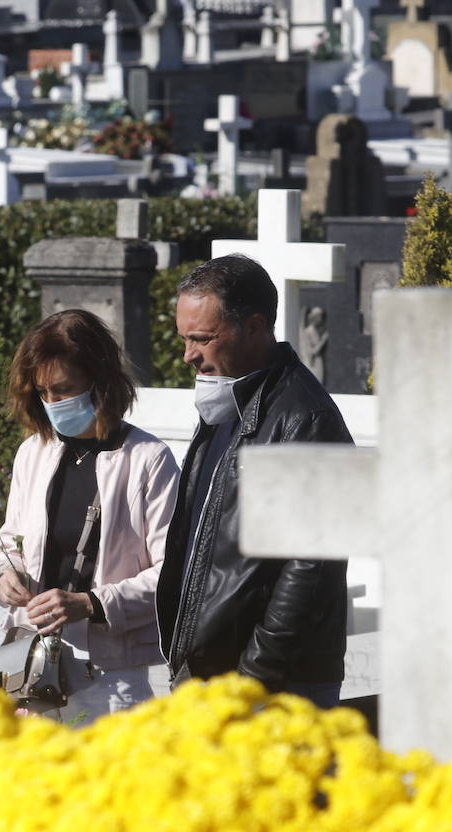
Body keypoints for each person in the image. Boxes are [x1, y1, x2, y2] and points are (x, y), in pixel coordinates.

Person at [155, 254, 353, 709]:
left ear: (255, 327)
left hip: (274, 684)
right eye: (185, 339)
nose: (189, 356)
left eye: (202, 339)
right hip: (212, 676)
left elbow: (309, 566)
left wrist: (253, 679)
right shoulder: (225, 400)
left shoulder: (305, 417)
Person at [0, 309, 179, 722]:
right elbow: (12, 541)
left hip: (111, 677)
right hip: (33, 666)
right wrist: (5, 577)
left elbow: (175, 573)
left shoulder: (147, 459)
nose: (54, 403)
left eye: (64, 389)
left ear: (100, 380)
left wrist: (90, 603)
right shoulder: (33, 452)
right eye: (43, 392)